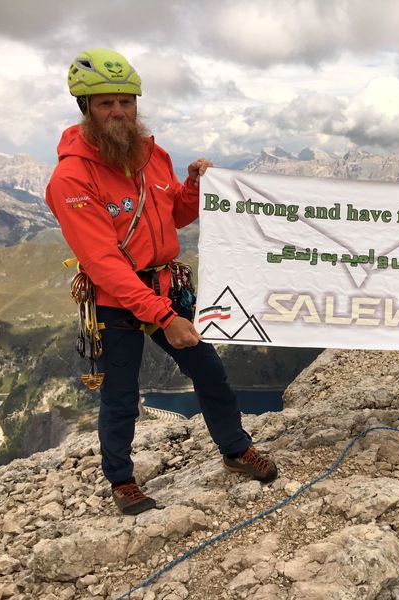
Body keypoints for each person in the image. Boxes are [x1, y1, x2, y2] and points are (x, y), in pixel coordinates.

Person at [46, 49, 278, 516]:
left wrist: (193, 186)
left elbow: (173, 214)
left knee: (209, 372)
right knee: (120, 393)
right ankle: (123, 481)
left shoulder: (152, 155)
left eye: (126, 102)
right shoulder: (71, 177)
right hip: (118, 302)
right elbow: (104, 262)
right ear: (85, 108)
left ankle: (235, 451)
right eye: (105, 103)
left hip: (164, 289)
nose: (118, 112)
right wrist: (164, 317)